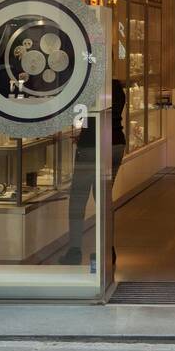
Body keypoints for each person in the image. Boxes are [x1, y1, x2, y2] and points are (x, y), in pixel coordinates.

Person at [61, 78, 126, 266]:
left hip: (91, 146)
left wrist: (81, 133)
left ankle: (74, 250)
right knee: (103, 198)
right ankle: (107, 250)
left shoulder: (87, 84)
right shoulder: (116, 86)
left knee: (78, 199)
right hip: (116, 144)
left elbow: (79, 117)